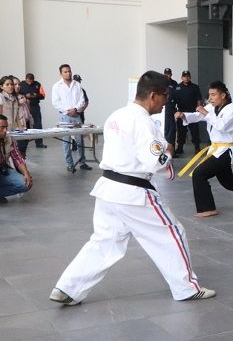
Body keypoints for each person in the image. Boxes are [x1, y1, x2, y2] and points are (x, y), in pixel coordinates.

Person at [49, 71, 214, 305]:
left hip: (108, 189)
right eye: (165, 96)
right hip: (133, 191)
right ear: (154, 95)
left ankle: (67, 288)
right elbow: (155, 162)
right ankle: (186, 288)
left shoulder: (117, 115)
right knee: (171, 233)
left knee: (104, 242)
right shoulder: (143, 122)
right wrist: (168, 151)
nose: (166, 101)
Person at [175, 81, 233, 217]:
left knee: (199, 174)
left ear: (223, 95)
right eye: (210, 95)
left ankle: (207, 208)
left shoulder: (232, 108)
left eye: (214, 95)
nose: (211, 98)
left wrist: (205, 112)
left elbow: (222, 126)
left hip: (226, 151)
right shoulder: (211, 107)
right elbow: (198, 116)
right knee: (228, 182)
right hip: (215, 149)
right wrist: (184, 115)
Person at [51, 64, 92, 172]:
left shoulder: (77, 85)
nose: (68, 73)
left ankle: (82, 162)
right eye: (65, 72)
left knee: (80, 140)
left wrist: (75, 109)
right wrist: (68, 111)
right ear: (60, 73)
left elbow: (82, 100)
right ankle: (69, 164)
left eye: (69, 71)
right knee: (66, 141)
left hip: (76, 115)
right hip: (64, 116)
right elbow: (55, 102)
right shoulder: (57, 86)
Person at [0, 114, 32, 204]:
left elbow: (18, 157)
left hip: (3, 169)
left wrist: (26, 173)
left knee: (25, 184)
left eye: (6, 127)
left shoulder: (9, 139)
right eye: (2, 127)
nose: (5, 130)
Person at [173, 70, 203, 155]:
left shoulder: (195, 87)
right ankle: (180, 148)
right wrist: (176, 112)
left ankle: (197, 147)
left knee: (194, 131)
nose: (186, 78)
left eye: (187, 76)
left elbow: (199, 99)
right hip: (182, 113)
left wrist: (198, 109)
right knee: (181, 132)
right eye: (184, 76)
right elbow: (173, 101)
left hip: (192, 113)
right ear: (182, 77)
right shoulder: (177, 88)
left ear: (190, 77)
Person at [19, 73, 47, 148]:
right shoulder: (21, 84)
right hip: (24, 107)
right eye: (28, 81)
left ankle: (39, 143)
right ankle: (24, 143)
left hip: (35, 106)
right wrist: (25, 96)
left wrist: (35, 95)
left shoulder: (37, 84)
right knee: (25, 124)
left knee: (38, 124)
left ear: (33, 79)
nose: (30, 82)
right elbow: (17, 94)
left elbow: (43, 95)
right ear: (25, 79)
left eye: (31, 81)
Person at [163, 68, 178, 153]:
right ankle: (164, 149)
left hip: (172, 108)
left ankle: (172, 150)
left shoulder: (174, 83)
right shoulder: (160, 83)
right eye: (166, 74)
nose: (167, 75)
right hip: (163, 109)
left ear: (171, 74)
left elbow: (177, 96)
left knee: (172, 130)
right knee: (164, 128)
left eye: (168, 74)